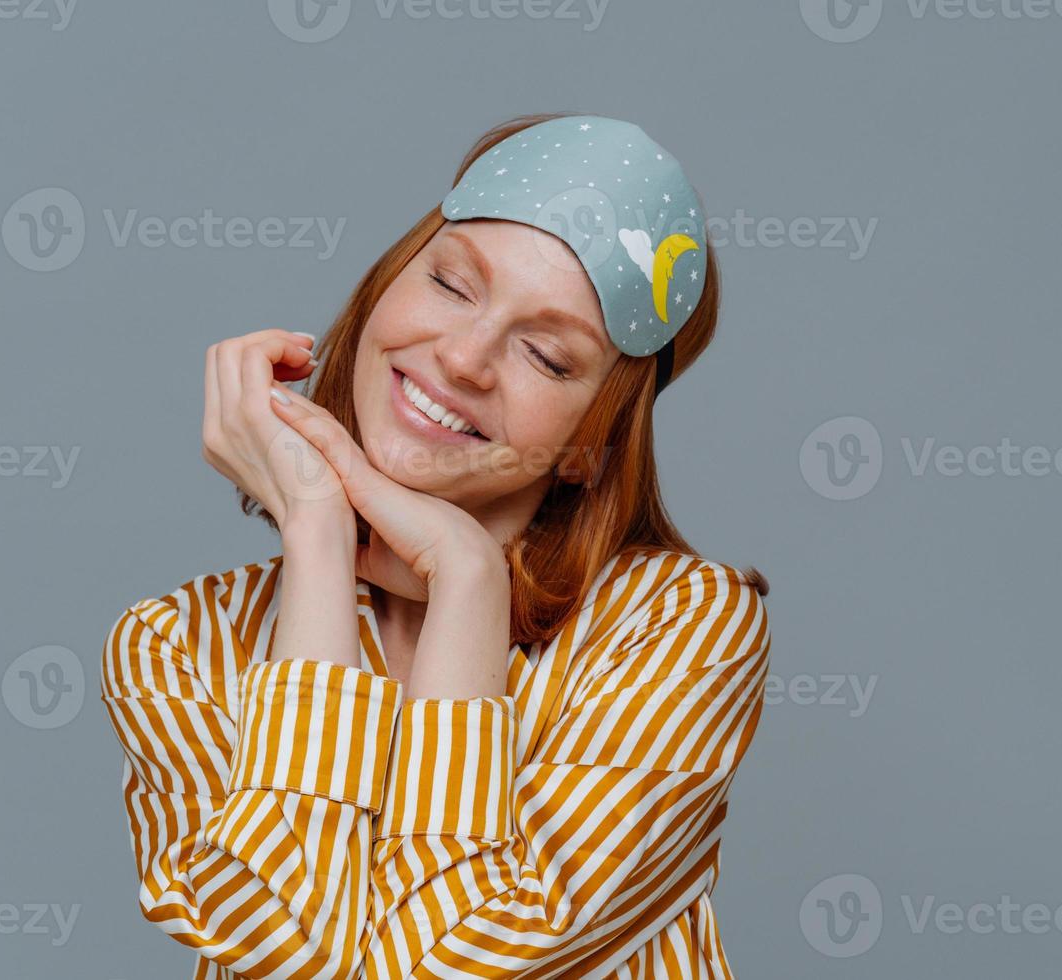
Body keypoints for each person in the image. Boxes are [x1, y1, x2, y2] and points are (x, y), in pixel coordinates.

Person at [100, 111, 772, 979]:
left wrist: (467, 581)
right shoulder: (179, 647)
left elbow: (447, 964)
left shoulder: (680, 630)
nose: (463, 358)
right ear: (386, 286)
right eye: (453, 286)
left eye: (547, 355)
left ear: (588, 442)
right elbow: (281, 948)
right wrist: (314, 534)